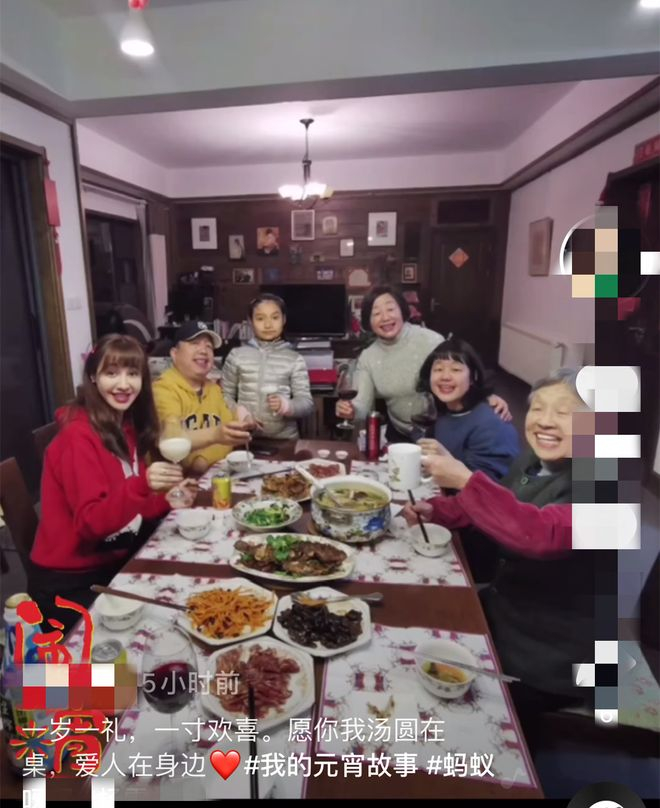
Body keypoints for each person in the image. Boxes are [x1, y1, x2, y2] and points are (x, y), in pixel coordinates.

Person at [402, 369, 603, 734]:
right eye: (538, 408)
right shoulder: (534, 462)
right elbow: (499, 505)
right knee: (416, 623)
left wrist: (465, 480)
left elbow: (540, 533)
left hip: (550, 655)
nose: (545, 421)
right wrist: (437, 511)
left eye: (564, 412)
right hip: (503, 609)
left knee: (460, 720)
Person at [28, 334, 192, 631]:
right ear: (93, 377)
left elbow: (127, 506)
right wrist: (143, 485)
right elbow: (91, 523)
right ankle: (35, 671)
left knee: (179, 606)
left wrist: (163, 500)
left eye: (133, 373)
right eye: (111, 373)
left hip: (111, 559)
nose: (124, 384)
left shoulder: (124, 425)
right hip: (69, 581)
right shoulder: (78, 437)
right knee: (136, 651)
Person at [336, 285, 511, 442]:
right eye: (376, 313)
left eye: (390, 309)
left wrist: (484, 396)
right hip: (400, 435)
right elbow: (362, 405)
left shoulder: (430, 340)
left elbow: (458, 373)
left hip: (441, 431)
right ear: (368, 321)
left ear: (402, 311)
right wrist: (350, 410)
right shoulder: (368, 357)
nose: (385, 317)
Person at [153, 322, 252, 474]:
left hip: (211, 478)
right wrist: (215, 437)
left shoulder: (214, 389)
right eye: (194, 343)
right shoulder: (163, 389)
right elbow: (170, 438)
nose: (203, 351)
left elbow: (228, 437)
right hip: (171, 482)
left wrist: (203, 459)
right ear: (174, 353)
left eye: (209, 346)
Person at [416, 337, 519, 480]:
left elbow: (488, 486)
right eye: (438, 369)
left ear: (473, 377)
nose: (445, 376)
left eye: (456, 369)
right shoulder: (442, 410)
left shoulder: (491, 423)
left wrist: (445, 460)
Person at [221, 294, 314, 440]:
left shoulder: (295, 359)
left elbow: (306, 404)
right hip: (243, 436)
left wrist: (286, 406)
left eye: (275, 318)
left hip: (285, 439)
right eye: (260, 318)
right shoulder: (236, 355)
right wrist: (240, 413)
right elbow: (224, 396)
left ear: (284, 319)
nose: (268, 325)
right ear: (250, 321)